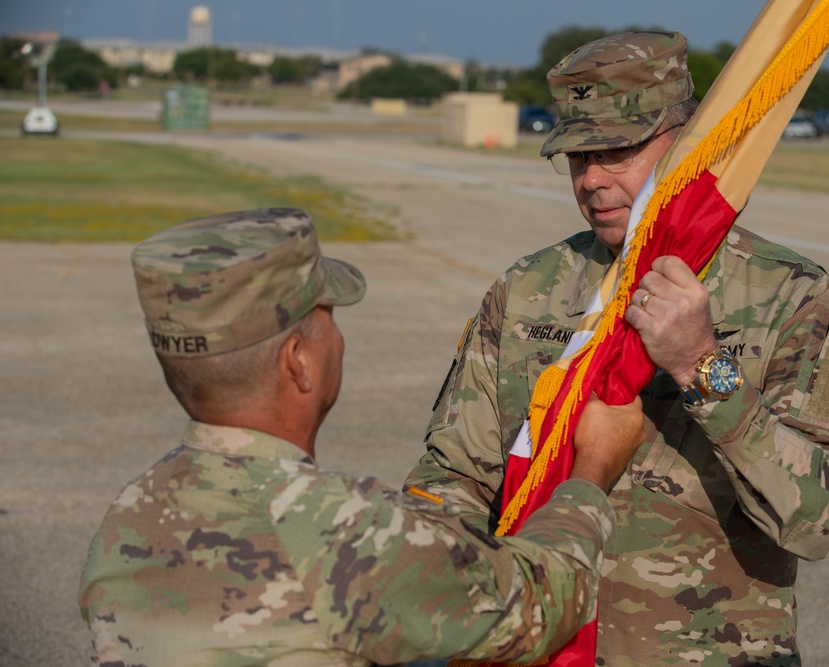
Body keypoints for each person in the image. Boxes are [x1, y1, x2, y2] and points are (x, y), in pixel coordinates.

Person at [406, 31, 829, 665]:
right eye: (575, 156)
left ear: (683, 143)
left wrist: (701, 366)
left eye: (616, 151)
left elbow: (822, 520)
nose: (592, 180)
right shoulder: (527, 290)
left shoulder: (791, 299)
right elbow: (453, 476)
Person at [78, 208, 646, 667]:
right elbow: (539, 605)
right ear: (298, 361)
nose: (338, 338)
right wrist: (591, 469)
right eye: (327, 318)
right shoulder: (344, 532)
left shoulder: (126, 518)